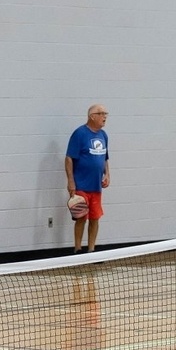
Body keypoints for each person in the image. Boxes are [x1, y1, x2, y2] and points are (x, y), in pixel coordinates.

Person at [65, 104, 111, 253]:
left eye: (106, 113)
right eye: (101, 113)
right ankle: (78, 249)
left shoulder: (104, 135)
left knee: (95, 218)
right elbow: (69, 158)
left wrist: (107, 174)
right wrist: (71, 181)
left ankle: (91, 250)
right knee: (81, 217)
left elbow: (105, 158)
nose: (104, 116)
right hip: (81, 185)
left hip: (96, 186)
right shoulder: (79, 134)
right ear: (92, 116)